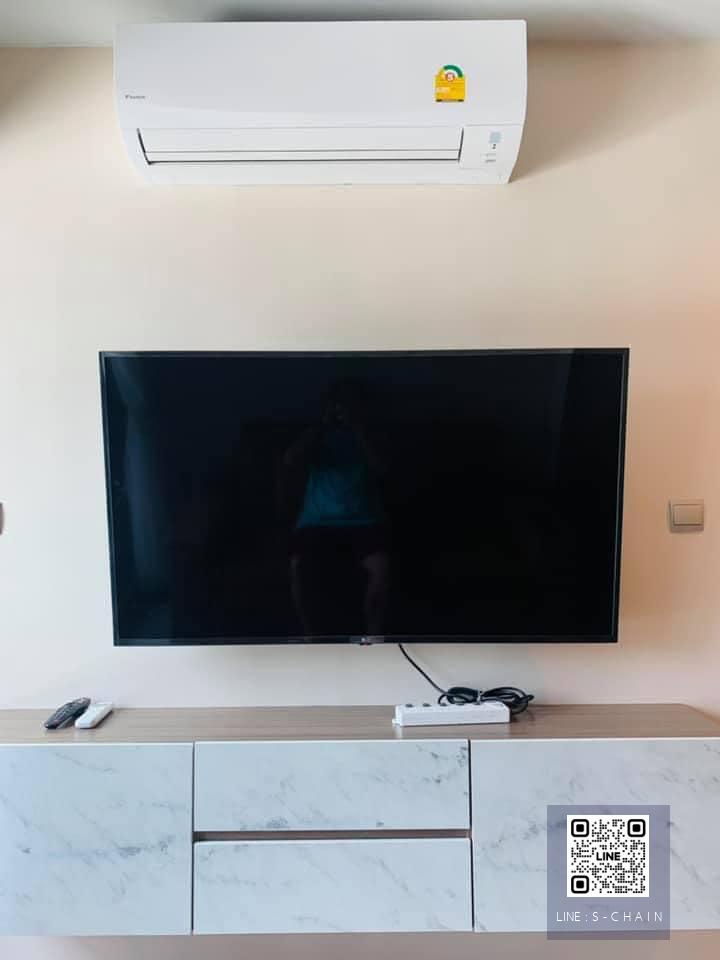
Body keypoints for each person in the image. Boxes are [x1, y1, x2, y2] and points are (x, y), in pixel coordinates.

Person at [280, 381, 390, 637]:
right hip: (316, 523)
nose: (342, 411)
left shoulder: (370, 436)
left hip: (363, 522)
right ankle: (310, 638)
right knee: (298, 567)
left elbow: (382, 468)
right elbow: (290, 460)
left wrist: (359, 428)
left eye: (347, 405)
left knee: (381, 569)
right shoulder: (316, 436)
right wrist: (321, 426)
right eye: (337, 406)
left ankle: (374, 639)